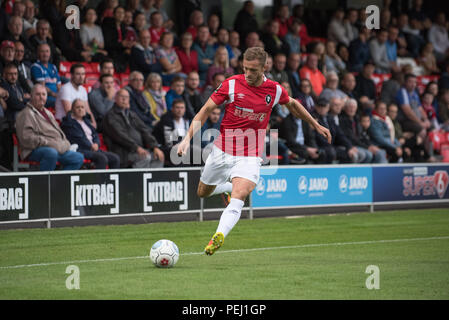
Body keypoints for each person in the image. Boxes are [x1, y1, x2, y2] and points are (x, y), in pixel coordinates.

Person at [176, 47, 331, 255]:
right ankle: (227, 188)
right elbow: (205, 111)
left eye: (253, 70)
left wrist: (316, 124)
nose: (248, 74)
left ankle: (218, 235)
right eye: (245, 69)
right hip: (222, 150)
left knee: (241, 194)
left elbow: (293, 104)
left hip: (250, 153)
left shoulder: (274, 90)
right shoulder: (231, 84)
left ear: (264, 68)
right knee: (202, 192)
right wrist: (187, 139)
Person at [15, 84, 84, 171]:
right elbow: (27, 139)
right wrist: (50, 144)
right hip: (34, 150)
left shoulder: (48, 113)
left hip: (55, 148)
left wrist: (65, 143)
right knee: (51, 153)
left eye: (43, 94)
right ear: (31, 96)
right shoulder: (25, 113)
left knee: (78, 158)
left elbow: (59, 133)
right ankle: (45, 183)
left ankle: (60, 182)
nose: (41, 97)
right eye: (38, 94)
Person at [102, 88, 164, 168]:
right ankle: (139, 180)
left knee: (158, 156)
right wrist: (136, 147)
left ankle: (153, 180)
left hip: (138, 149)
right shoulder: (110, 116)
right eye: (122, 96)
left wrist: (155, 146)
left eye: (126, 97)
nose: (124, 99)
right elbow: (120, 136)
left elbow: (144, 130)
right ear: (116, 98)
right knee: (145, 157)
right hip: (123, 152)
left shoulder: (132, 114)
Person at [60, 99, 120, 169]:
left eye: (82, 107)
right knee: (102, 158)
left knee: (115, 158)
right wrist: (91, 146)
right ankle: (99, 180)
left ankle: (108, 180)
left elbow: (95, 135)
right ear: (72, 110)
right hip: (81, 150)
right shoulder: (69, 124)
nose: (80, 109)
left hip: (93, 149)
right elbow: (80, 139)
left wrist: (97, 144)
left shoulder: (87, 122)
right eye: (77, 107)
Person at [55, 64, 97, 128]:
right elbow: (69, 113)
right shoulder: (65, 89)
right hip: (64, 123)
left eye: (83, 74)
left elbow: (87, 110)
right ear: (71, 75)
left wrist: (93, 123)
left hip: (79, 122)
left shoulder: (82, 89)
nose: (81, 77)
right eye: (78, 74)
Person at [153, 98, 190, 166]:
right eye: (177, 108)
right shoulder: (166, 120)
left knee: (197, 152)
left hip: (180, 147)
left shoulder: (185, 121)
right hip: (164, 148)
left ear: (184, 109)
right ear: (172, 109)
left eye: (182, 108)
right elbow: (168, 142)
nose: (179, 110)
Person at [30, 43, 61, 108]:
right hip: (45, 99)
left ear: (50, 53)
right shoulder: (36, 67)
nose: (45, 54)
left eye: (47, 51)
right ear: (38, 53)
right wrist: (55, 95)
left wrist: (61, 96)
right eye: (42, 51)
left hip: (56, 98)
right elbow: (42, 87)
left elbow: (59, 86)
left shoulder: (53, 67)